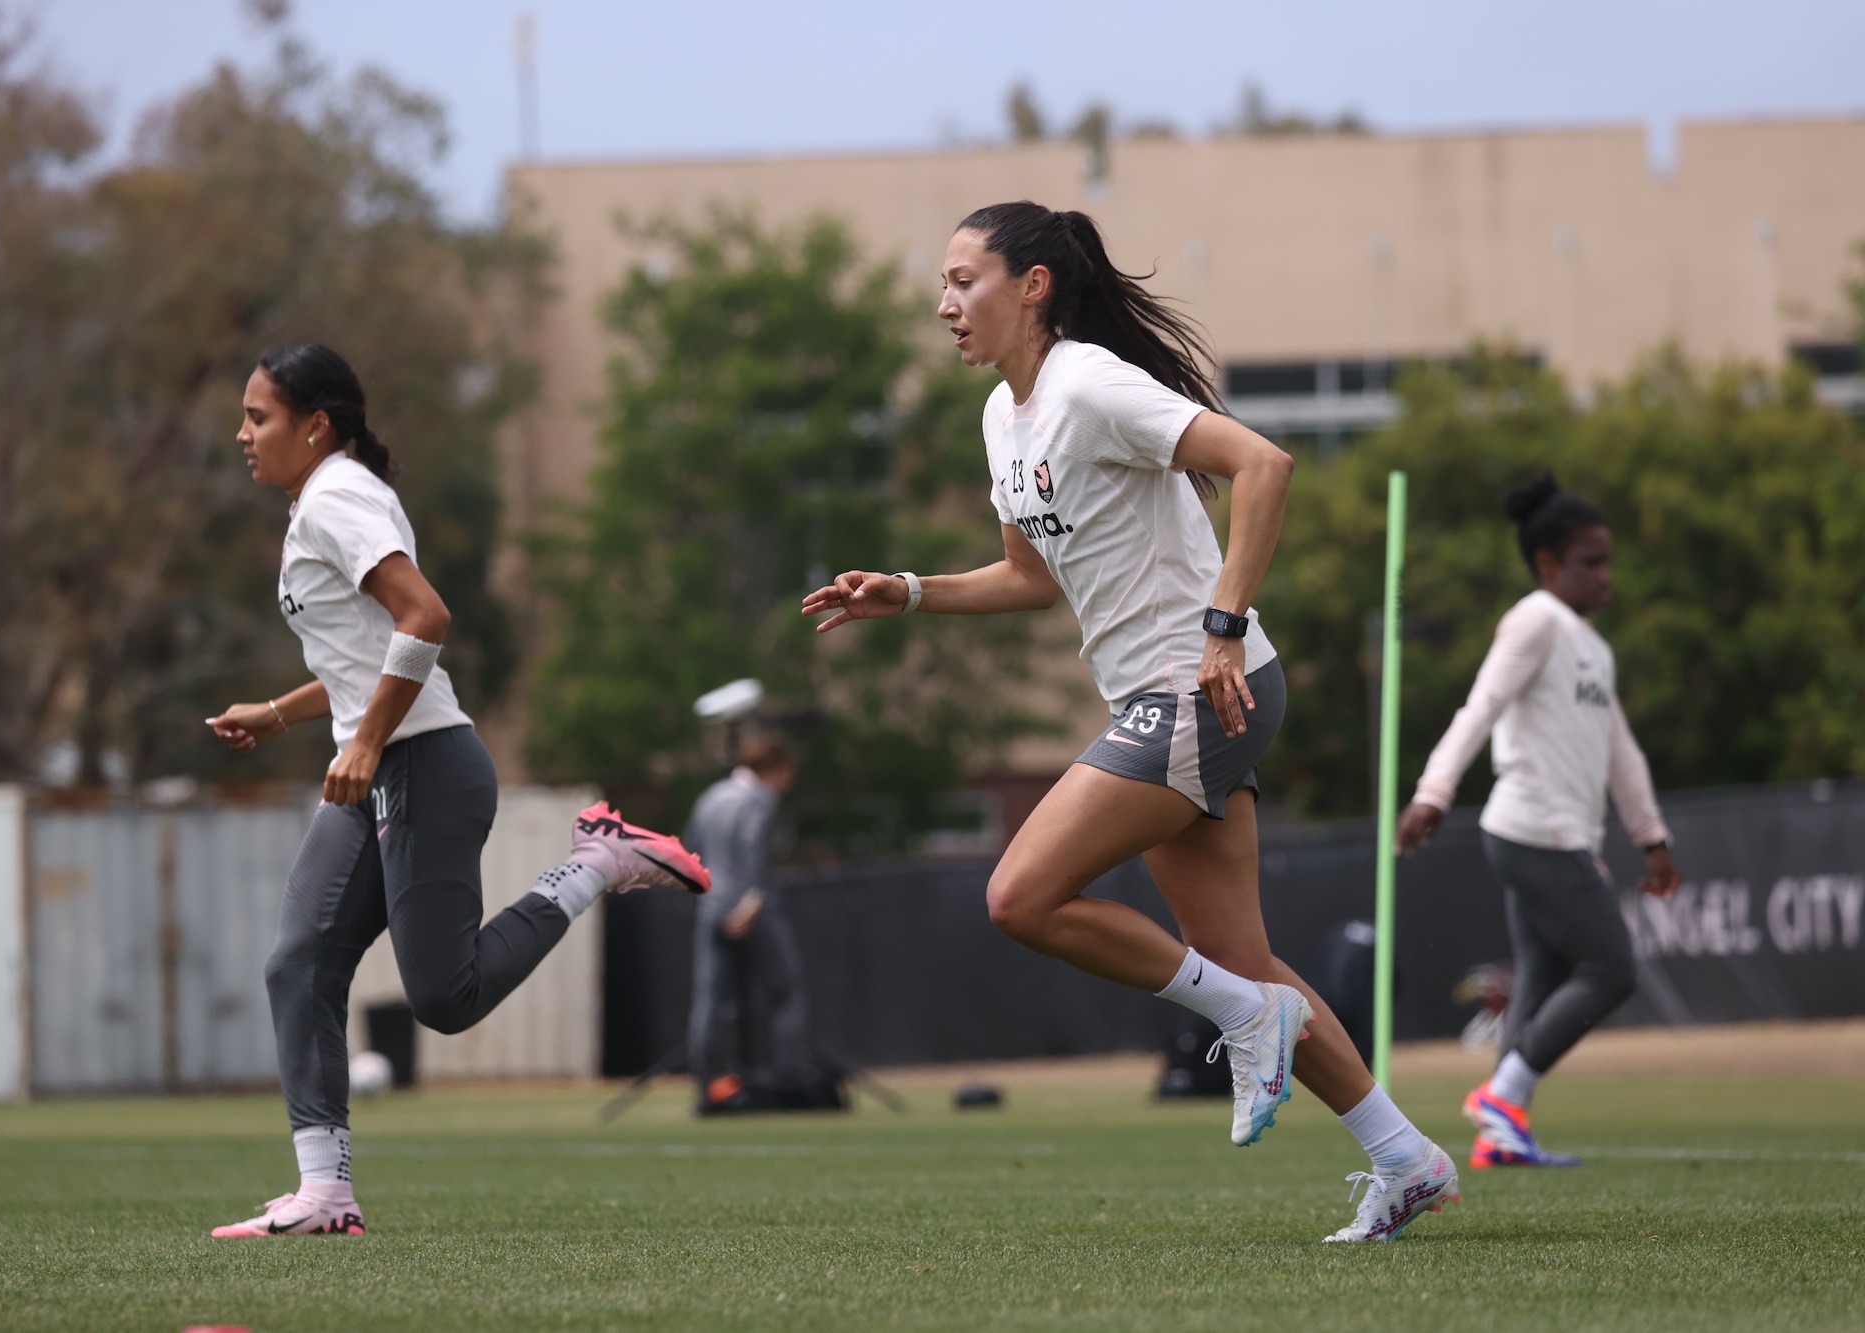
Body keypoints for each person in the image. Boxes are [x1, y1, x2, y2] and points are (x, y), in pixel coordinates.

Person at [802, 202, 1457, 1242]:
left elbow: (1263, 465)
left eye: (963, 280)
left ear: (1031, 286)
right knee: (1240, 958)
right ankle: (1404, 1156)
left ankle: (1248, 1021)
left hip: (1198, 691)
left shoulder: (1088, 383)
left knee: (1018, 894)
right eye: (941, 285)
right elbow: (1029, 577)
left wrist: (1222, 626)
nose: (943, 306)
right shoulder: (1002, 419)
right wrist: (912, 591)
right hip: (1166, 699)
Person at [204, 343, 711, 1238]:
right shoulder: (320, 500)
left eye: (258, 416)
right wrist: (282, 715)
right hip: (373, 767)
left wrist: (364, 740)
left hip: (424, 765)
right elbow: (363, 655)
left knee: (443, 996)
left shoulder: (336, 494)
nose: (241, 434)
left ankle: (600, 861)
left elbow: (425, 617)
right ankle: (324, 1192)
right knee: (300, 960)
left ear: (314, 425)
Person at [1397, 472, 1681, 1169]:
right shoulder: (1535, 619)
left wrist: (1653, 836)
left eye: (1607, 559)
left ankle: (1501, 1132)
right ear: (1548, 563)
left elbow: (1623, 752)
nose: (1605, 575)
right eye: (1591, 560)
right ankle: (1503, 1095)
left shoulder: (1593, 647)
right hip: (1533, 829)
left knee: (1542, 978)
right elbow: (1481, 704)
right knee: (1611, 968)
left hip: (1556, 836)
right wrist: (1434, 789)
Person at [684, 733, 813, 1110]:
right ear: (771, 769)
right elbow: (753, 849)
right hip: (752, 908)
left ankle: (706, 1090)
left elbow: (691, 848)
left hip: (710, 906)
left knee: (709, 1002)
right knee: (785, 992)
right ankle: (789, 1084)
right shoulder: (760, 799)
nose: (788, 783)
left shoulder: (710, 796)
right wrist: (751, 903)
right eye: (786, 774)